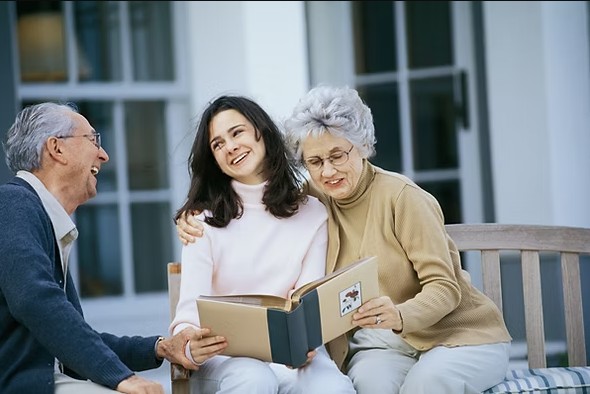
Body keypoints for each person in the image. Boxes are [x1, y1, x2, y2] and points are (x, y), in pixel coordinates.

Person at [177, 86, 513, 394]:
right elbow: (262, 210)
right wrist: (190, 215)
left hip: (455, 337)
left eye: (338, 155)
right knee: (368, 386)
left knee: (424, 386)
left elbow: (446, 287)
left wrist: (399, 314)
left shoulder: (403, 198)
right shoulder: (312, 200)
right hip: (386, 344)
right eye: (315, 161)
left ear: (363, 146)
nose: (328, 172)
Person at [0, 102, 199, 394]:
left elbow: (75, 336)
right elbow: (35, 300)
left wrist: (159, 348)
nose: (104, 155)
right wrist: (122, 377)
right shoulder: (13, 203)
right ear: (57, 148)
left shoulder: (35, 213)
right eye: (93, 140)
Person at [169, 95, 355, 394]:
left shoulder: (312, 213)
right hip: (225, 359)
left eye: (237, 132)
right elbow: (188, 313)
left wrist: (304, 341)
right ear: (213, 159)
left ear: (262, 132)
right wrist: (189, 343)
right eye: (217, 144)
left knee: (333, 389)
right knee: (255, 380)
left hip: (293, 358)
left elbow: (305, 299)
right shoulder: (201, 222)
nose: (230, 147)